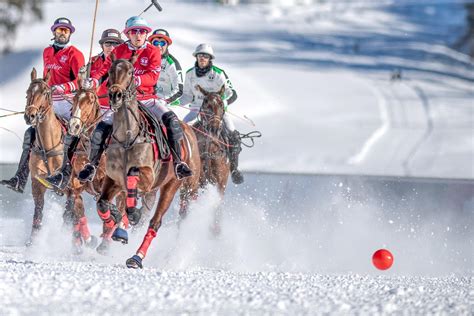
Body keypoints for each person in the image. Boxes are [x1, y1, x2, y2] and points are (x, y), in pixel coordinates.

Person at [77, 16, 192, 183]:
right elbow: (104, 68)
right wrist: (93, 79)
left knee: (172, 121)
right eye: (134, 32)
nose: (138, 36)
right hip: (123, 101)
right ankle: (92, 165)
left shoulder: (153, 51)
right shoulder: (119, 50)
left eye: (142, 32)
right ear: (128, 34)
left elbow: (153, 76)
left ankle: (178, 163)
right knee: (101, 128)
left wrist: (135, 80)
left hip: (147, 99)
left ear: (146, 34)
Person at [1, 17, 85, 193]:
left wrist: (61, 87)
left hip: (68, 101)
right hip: (50, 102)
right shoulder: (47, 51)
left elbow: (80, 82)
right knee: (31, 133)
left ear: (70, 33)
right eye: (60, 30)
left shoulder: (75, 54)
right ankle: (20, 178)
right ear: (54, 31)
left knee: (73, 132)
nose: (63, 33)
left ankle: (66, 173)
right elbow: (47, 77)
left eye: (66, 31)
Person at [43, 28, 124, 190]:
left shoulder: (123, 64)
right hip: (95, 107)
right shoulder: (93, 62)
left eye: (115, 44)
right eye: (108, 43)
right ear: (102, 45)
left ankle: (127, 172)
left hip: (116, 106)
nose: (111, 47)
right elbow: (80, 82)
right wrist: (83, 79)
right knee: (74, 132)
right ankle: (65, 173)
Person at [180, 44, 243, 184]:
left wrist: (223, 105)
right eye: (200, 55)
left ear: (210, 59)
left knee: (234, 135)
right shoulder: (190, 74)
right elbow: (187, 95)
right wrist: (173, 102)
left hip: (217, 111)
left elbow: (232, 94)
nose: (203, 58)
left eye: (206, 56)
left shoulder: (219, 73)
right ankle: (180, 166)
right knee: (180, 131)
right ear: (196, 57)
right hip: (196, 109)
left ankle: (234, 169)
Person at [148, 29, 183, 106]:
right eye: (156, 42)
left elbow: (179, 90)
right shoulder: (146, 60)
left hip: (168, 103)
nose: (159, 46)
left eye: (162, 43)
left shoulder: (172, 63)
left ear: (167, 45)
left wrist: (165, 101)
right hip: (148, 100)